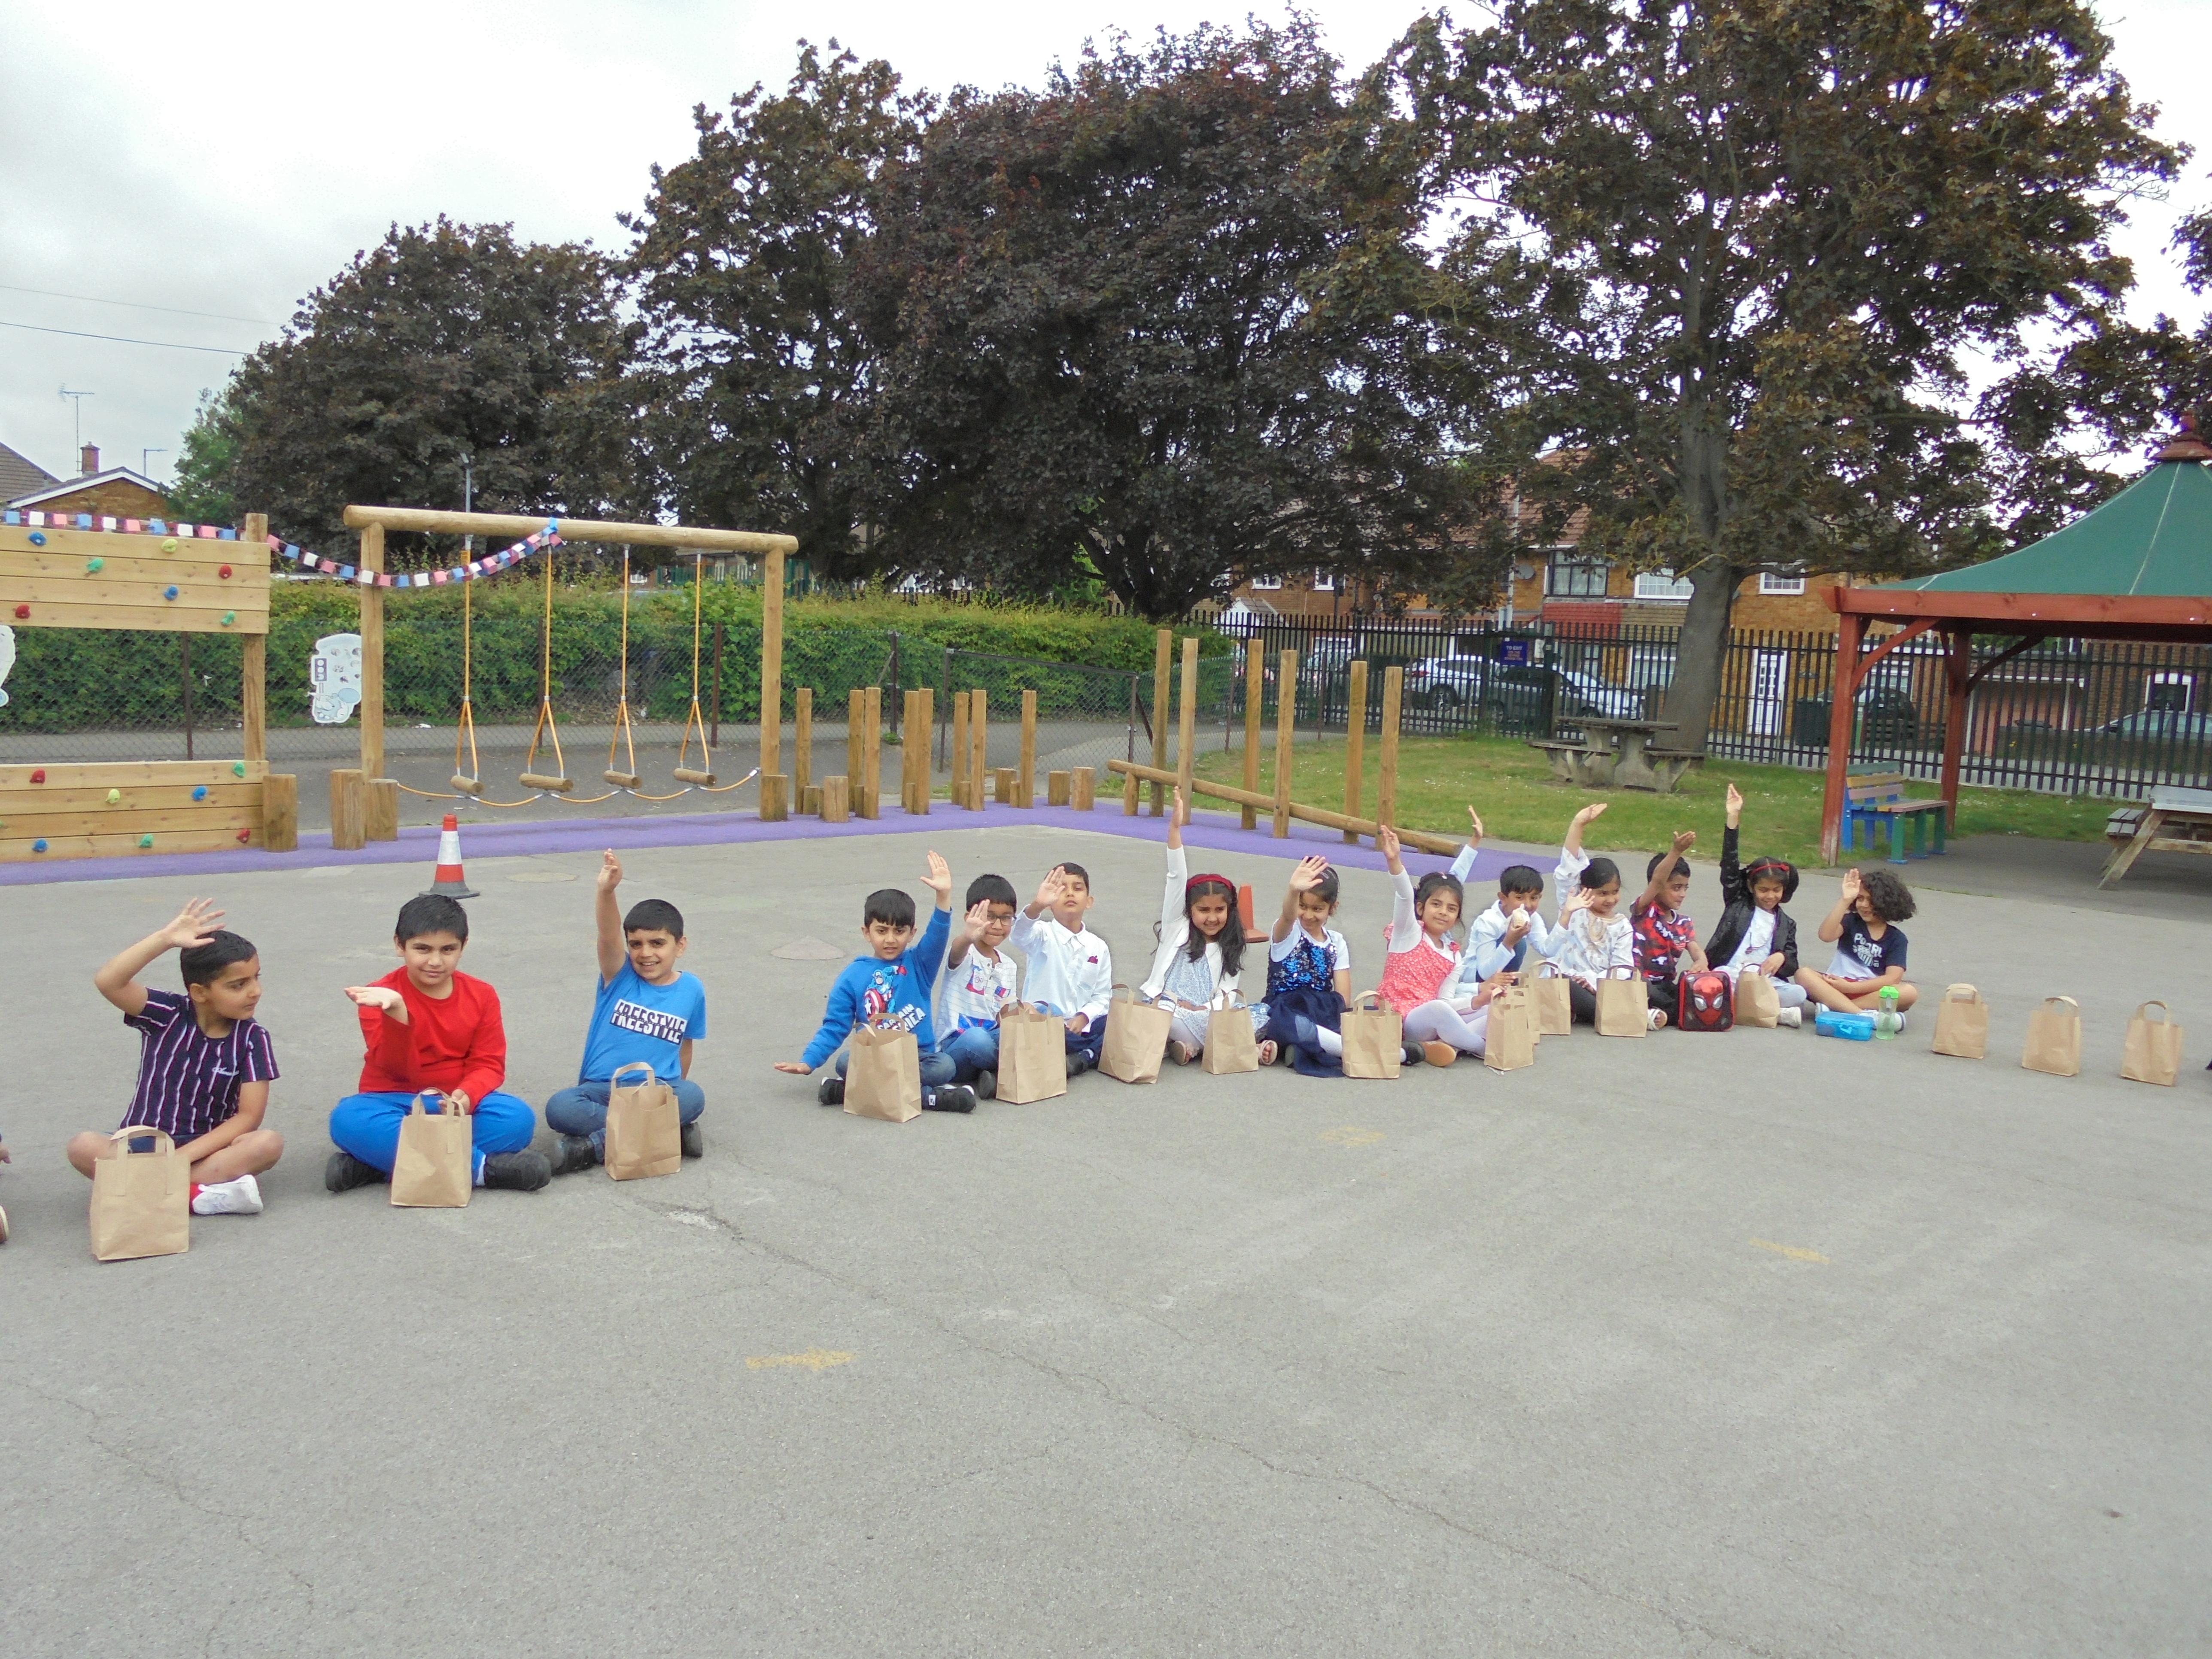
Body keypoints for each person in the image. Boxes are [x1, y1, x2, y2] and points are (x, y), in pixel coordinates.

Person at [66, 898, 282, 1218]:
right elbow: (109, 982)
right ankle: (197, 1196)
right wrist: (165, 939)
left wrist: (182, 1158)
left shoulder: (253, 1038)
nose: (255, 991)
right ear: (199, 992)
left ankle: (142, 1190)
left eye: (256, 978)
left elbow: (248, 1117)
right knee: (83, 1146)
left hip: (207, 1150)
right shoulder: (167, 1014)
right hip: (144, 1145)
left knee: (266, 1144)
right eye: (238, 985)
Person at [328, 894, 549, 1193]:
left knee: (516, 1118)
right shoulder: (379, 996)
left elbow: (488, 1063)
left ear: (463, 946)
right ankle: (483, 1171)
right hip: (393, 1101)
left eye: (448, 950)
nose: (435, 961)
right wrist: (397, 1014)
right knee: (349, 1119)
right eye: (422, 949)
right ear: (399, 946)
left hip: (454, 1103)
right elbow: (396, 1069)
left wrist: (467, 1096)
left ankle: (378, 1165)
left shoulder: (482, 994)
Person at [545, 852, 709, 1175]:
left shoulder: (692, 989)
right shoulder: (619, 976)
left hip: (655, 1089)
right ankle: (666, 1133)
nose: (646, 953)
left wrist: (673, 1097)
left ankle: (592, 1147)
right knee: (561, 1108)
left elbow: (686, 1044)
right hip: (602, 1090)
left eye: (657, 943)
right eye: (636, 944)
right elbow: (608, 935)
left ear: (680, 946)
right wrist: (607, 891)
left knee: (692, 1097)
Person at [777, 852, 979, 1112]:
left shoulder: (920, 964)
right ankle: (929, 1098)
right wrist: (809, 1062)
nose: (890, 940)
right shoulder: (853, 975)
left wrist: (943, 896)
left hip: (918, 1056)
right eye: (882, 931)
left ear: (912, 933)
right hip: (875, 1055)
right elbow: (835, 1026)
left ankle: (852, 1091)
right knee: (845, 1062)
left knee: (945, 1066)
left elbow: (938, 935)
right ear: (867, 932)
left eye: (899, 932)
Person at [1139, 788, 1261, 1066]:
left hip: (1209, 1014)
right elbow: (1176, 876)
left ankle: (1192, 1047)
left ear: (1230, 909)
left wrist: (1203, 1008)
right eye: (1203, 910)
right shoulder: (1176, 927)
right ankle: (1239, 1048)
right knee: (1163, 1015)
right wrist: (1175, 829)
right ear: (1189, 909)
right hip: (1172, 1009)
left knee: (1257, 1013)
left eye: (1219, 910)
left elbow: (1227, 992)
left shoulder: (1230, 943)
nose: (1212, 918)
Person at [1376, 821, 1510, 1066]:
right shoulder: (1409, 933)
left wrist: (1479, 1001)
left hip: (1433, 1019)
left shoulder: (1453, 954)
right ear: (1421, 908)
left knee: (1493, 1009)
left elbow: (1447, 1002)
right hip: (1400, 1019)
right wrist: (1394, 861)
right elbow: (1405, 895)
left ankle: (1445, 1046)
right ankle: (1483, 1048)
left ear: (1457, 916)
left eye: (1451, 909)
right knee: (1437, 1010)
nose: (1443, 913)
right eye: (1436, 905)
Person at [1704, 783, 1808, 1027]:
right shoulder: (1738, 904)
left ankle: (1740, 1009)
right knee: (1709, 987)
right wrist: (1733, 818)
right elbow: (1729, 866)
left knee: (1798, 994)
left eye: (1776, 890)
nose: (1770, 896)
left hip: (1762, 982)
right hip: (1728, 974)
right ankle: (1769, 1013)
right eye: (1763, 890)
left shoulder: (1786, 923)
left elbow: (1792, 963)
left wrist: (1781, 957)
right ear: (1751, 887)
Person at [1546, 804, 1653, 1027]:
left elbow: (1621, 968)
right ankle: (1636, 1015)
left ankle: (1636, 1012)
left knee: (1643, 983)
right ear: (1584, 889)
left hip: (1601, 987)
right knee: (1569, 987)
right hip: (1570, 983)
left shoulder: (1622, 926)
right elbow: (1568, 868)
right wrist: (1578, 824)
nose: (1611, 899)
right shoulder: (1575, 907)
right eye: (1603, 894)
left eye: (1615, 892)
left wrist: (1593, 982)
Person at [1009, 861, 1114, 1075]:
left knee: (1116, 1022)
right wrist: (1037, 905)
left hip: (1082, 1027)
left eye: (1078, 888)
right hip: (1045, 1023)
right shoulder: (1042, 934)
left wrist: (1083, 1017)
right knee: (1049, 1028)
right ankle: (1090, 1053)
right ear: (1050, 903)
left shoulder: (1098, 946)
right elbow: (1019, 935)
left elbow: (1103, 996)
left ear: (1089, 901)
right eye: (1062, 889)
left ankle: (1082, 1056)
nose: (1070, 894)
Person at [1259, 855, 1352, 1073]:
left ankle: (1306, 1045)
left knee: (1360, 1017)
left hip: (1323, 1012)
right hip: (1286, 1010)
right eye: (1303, 906)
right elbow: (1288, 916)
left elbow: (1343, 998)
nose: (1308, 915)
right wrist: (1293, 890)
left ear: (1332, 908)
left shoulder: (1337, 942)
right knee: (1289, 1022)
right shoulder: (1288, 932)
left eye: (1317, 909)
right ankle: (1360, 1052)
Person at [1796, 867, 1919, 1024]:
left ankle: (1837, 1010)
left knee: (1909, 992)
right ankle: (1862, 1015)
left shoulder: (1897, 939)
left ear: (1886, 903)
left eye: (1871, 901)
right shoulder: (1851, 921)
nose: (1864, 905)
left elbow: (1893, 978)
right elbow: (1826, 936)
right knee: (1803, 974)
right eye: (1860, 899)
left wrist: (1852, 988)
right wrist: (1845, 900)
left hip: (1869, 993)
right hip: (1835, 985)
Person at [940, 874, 1021, 1097]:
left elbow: (1006, 1017)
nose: (998, 925)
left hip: (992, 1037)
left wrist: (1022, 1016)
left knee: (1044, 1013)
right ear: (971, 917)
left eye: (1006, 918)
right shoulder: (965, 954)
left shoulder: (1009, 965)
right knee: (978, 1039)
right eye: (990, 917)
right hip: (958, 1045)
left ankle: (990, 1075)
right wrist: (968, 937)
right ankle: (1007, 1070)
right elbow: (957, 951)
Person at [1630, 830, 1707, 1019]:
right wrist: (1676, 851)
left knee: (1696, 996)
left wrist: (1701, 962)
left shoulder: (1684, 923)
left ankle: (1661, 1015)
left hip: (1666, 985)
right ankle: (1657, 1015)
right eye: (1676, 888)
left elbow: (1695, 949)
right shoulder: (1644, 910)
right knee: (1657, 996)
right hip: (1641, 982)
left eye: (1685, 888)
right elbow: (1657, 881)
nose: (1682, 894)